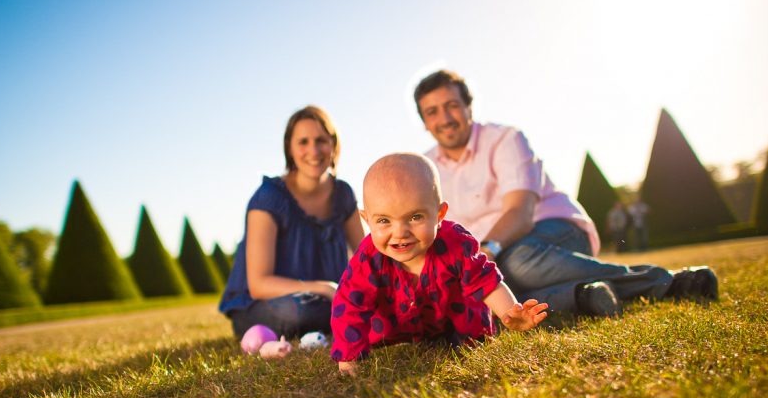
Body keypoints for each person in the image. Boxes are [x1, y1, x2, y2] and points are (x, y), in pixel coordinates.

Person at [413, 69, 718, 317]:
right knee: (490, 286)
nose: (445, 118)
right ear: (425, 123)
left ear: (468, 107)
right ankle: (583, 296)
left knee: (513, 265)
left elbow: (519, 213)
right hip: (494, 255)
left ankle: (664, 281)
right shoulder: (425, 168)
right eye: (432, 112)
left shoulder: (505, 139)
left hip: (552, 232)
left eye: (452, 105)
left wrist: (481, 255)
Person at [331, 153, 548, 374]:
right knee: (369, 323)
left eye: (415, 217)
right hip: (393, 332)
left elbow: (486, 280)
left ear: (439, 214)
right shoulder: (368, 259)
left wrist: (509, 312)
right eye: (384, 220)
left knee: (471, 329)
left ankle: (468, 339)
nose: (400, 232)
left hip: (451, 322)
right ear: (367, 220)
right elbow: (350, 304)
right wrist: (348, 359)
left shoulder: (455, 243)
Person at [219, 105, 365, 338]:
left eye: (321, 140)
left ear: (333, 144)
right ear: (290, 147)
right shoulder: (269, 197)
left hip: (328, 297)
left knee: (358, 301)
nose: (314, 150)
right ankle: (340, 316)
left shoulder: (343, 193)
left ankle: (340, 315)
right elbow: (259, 284)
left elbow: (366, 258)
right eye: (303, 142)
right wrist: (325, 288)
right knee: (298, 311)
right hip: (266, 303)